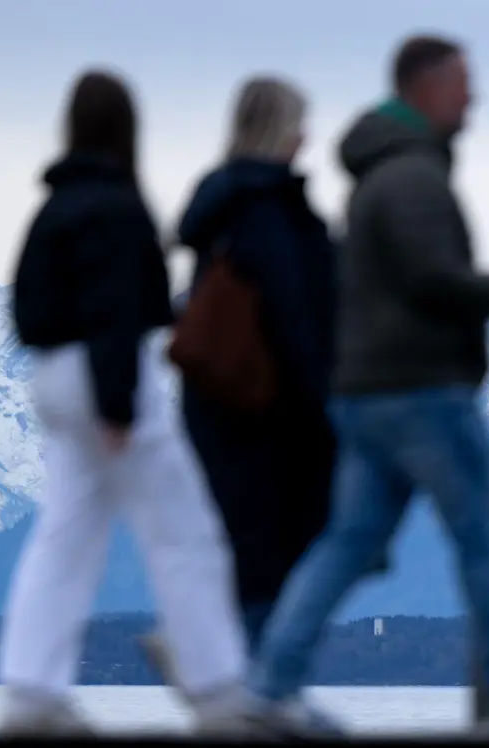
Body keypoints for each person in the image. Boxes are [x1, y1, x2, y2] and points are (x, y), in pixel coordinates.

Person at [242, 34, 489, 735]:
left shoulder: (381, 175)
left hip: (365, 395)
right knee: (483, 544)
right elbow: (430, 281)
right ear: (425, 87)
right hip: (423, 391)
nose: (473, 99)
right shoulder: (412, 178)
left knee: (347, 542)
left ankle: (271, 684)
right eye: (463, 83)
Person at [0, 69, 251, 735]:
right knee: (183, 531)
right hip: (107, 376)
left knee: (65, 533)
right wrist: (116, 402)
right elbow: (112, 311)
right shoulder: (120, 207)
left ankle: (30, 692)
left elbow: (29, 311)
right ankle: (217, 688)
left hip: (52, 376)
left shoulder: (50, 210)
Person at [137, 77, 339, 695]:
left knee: (241, 552)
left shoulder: (218, 212)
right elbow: (291, 313)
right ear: (282, 131)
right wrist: (323, 400)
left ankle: (235, 681)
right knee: (275, 559)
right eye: (300, 124)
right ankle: (265, 699)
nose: (306, 137)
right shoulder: (266, 210)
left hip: (214, 404)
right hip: (272, 408)